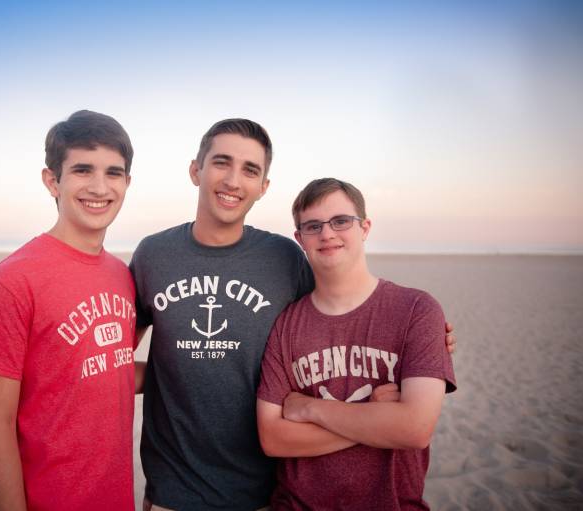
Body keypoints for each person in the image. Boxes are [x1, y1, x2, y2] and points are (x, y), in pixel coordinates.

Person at [130, 120, 455, 510]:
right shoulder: (153, 256)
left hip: (266, 491)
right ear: (196, 170)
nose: (233, 180)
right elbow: (118, 359)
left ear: (263, 187)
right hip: (174, 491)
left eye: (250, 169)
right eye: (221, 162)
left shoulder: (284, 259)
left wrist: (428, 336)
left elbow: (338, 309)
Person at [0, 110, 138, 510]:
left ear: (127, 183)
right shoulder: (13, 280)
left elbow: (108, 370)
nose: (99, 187)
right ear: (52, 180)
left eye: (113, 173)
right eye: (82, 170)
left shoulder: (122, 276)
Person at [257, 178, 457, 510]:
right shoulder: (286, 326)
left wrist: (310, 409)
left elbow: (416, 429)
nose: (327, 233)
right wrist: (374, 416)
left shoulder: (417, 311)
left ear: (365, 227)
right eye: (313, 226)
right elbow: (273, 438)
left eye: (340, 221)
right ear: (300, 239)